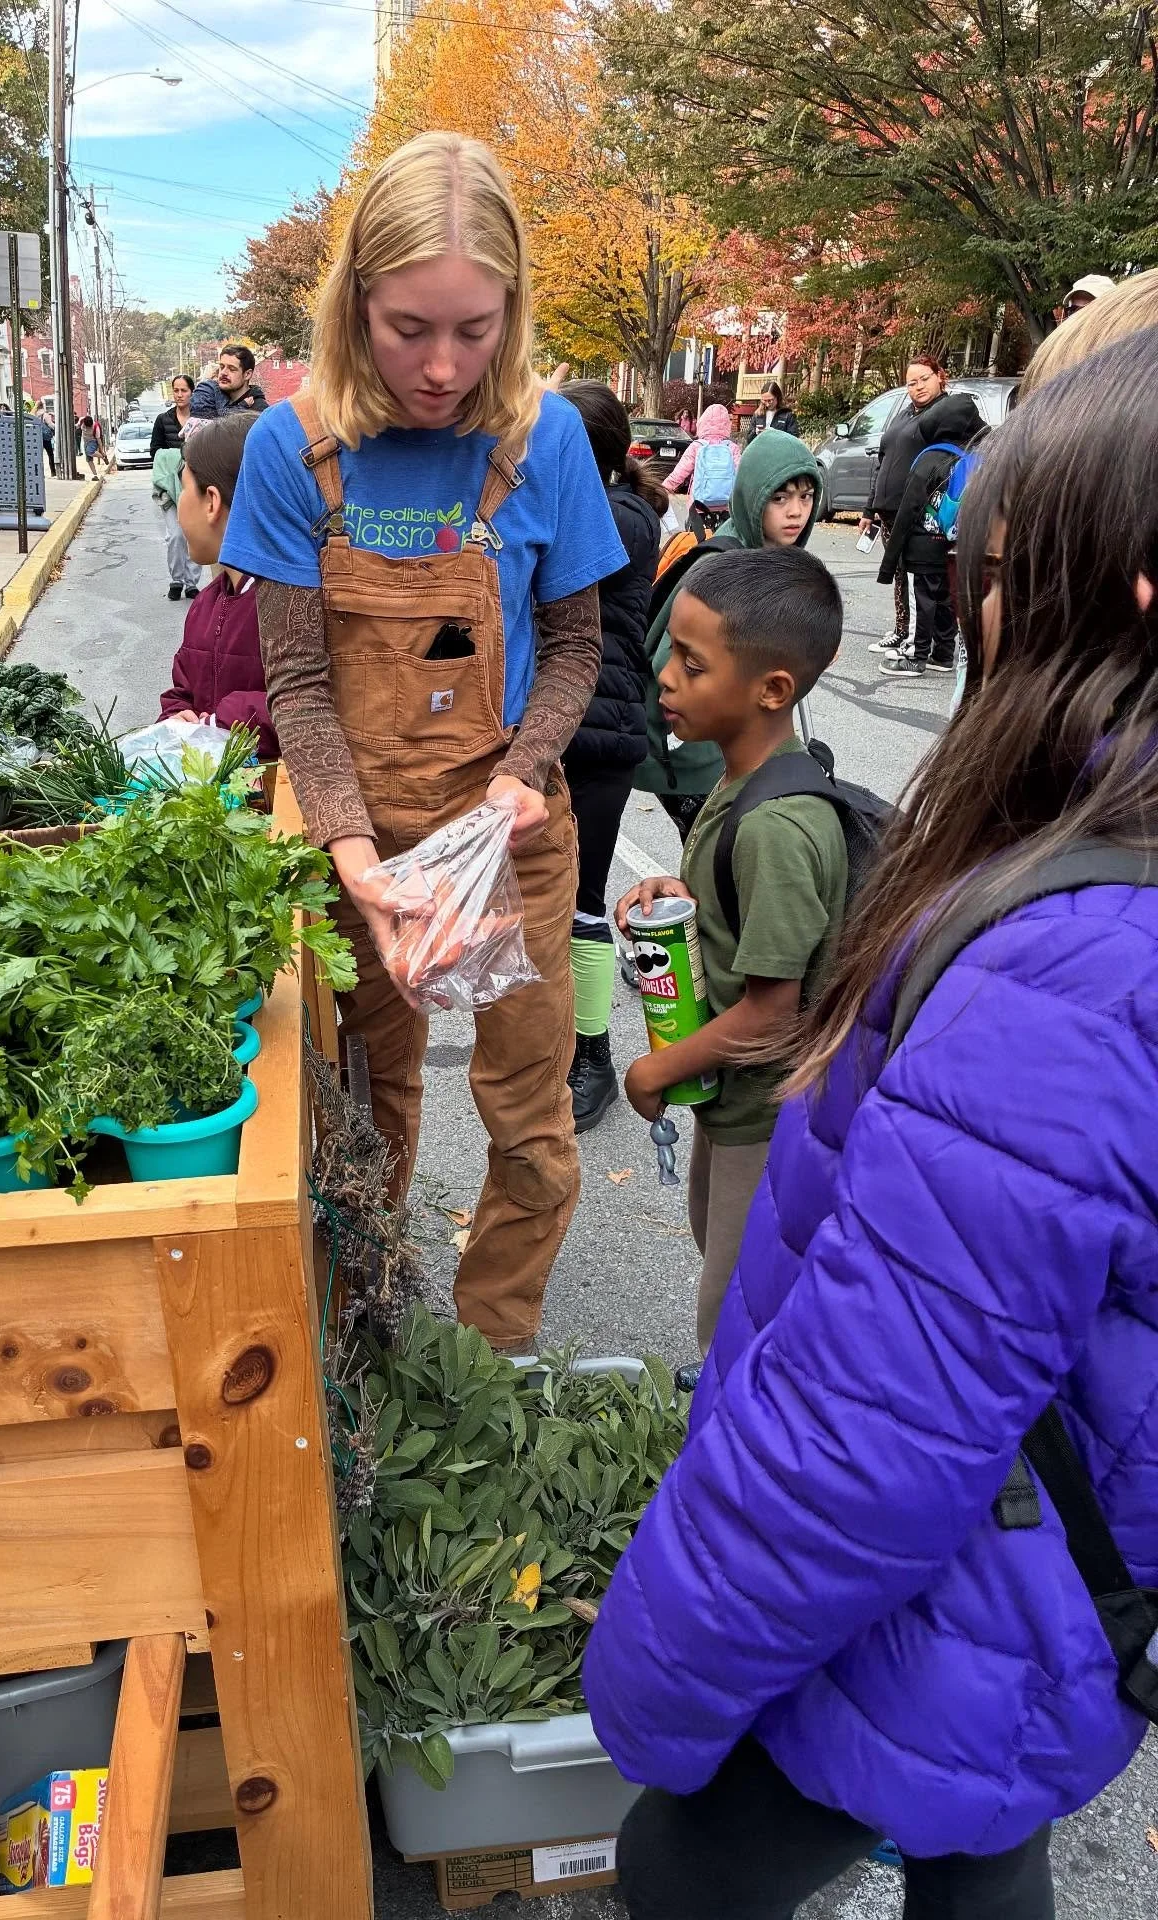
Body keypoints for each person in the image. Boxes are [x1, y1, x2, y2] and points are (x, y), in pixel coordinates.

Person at [586, 325, 1158, 1920]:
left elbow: (859, 1444)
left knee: (681, 1870)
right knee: (988, 1838)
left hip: (983, 1584)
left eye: (998, 562)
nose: (971, 597)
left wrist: (652, 1684)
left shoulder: (1065, 977)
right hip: (1070, 1578)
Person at [221, 130, 626, 1350]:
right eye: (410, 328)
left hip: (508, 837)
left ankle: (492, 1349)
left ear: (513, 308)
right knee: (364, 1106)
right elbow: (295, 677)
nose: (444, 367)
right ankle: (370, 1335)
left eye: (475, 327)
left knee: (529, 1112)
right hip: (363, 845)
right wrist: (353, 854)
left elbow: (574, 649)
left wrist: (518, 781)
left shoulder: (545, 438)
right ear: (354, 302)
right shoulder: (291, 451)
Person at [618, 545, 847, 1354]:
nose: (666, 680)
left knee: (735, 1318)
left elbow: (771, 1011)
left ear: (771, 690)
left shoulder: (776, 827)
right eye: (667, 654)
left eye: (691, 663)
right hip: (729, 1105)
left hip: (765, 1116)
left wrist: (656, 1069)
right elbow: (735, 908)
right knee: (717, 1252)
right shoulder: (739, 781)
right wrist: (679, 901)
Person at [556, 380, 664, 1130]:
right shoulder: (598, 509)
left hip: (600, 734)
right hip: (561, 729)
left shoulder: (621, 519)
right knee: (547, 903)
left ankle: (591, 1052)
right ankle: (558, 1041)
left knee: (585, 903)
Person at [635, 427, 825, 838]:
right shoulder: (725, 567)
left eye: (806, 496)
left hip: (735, 745)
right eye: (780, 497)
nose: (795, 511)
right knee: (719, 857)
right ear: (753, 495)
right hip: (696, 751)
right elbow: (673, 660)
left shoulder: (772, 561)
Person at [157, 413, 277, 756]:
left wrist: (218, 724)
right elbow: (182, 691)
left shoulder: (293, 604)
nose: (179, 508)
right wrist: (175, 720)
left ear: (211, 501)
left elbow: (313, 706)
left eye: (183, 489)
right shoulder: (207, 602)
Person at [875, 392, 983, 678]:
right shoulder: (977, 459)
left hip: (922, 546)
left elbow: (908, 510)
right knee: (947, 599)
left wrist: (890, 561)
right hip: (955, 546)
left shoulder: (929, 459)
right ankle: (943, 654)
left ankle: (916, 656)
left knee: (922, 599)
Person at [859, 353, 948, 657]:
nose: (918, 387)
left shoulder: (942, 413)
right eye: (912, 382)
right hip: (887, 509)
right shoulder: (905, 413)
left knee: (916, 577)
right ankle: (901, 629)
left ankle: (917, 639)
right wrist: (869, 509)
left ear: (940, 376)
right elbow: (882, 461)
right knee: (898, 573)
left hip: (916, 511)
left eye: (925, 379)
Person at [1020, 267, 1158, 397]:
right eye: (1074, 310)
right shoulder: (1056, 362)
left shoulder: (1128, 364)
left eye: (1090, 310)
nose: (1080, 318)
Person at [150, 376, 206, 599]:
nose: (179, 394)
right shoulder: (163, 420)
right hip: (168, 488)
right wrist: (174, 460)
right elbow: (154, 452)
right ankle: (176, 580)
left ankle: (192, 583)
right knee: (175, 535)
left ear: (191, 392)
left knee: (193, 533)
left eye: (184, 390)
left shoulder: (201, 420)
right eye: (176, 390)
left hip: (195, 486)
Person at [662, 403, 740, 539]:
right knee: (723, 544)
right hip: (726, 507)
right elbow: (741, 474)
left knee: (697, 544)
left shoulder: (697, 447)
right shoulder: (732, 448)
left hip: (699, 507)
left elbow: (679, 474)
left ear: (703, 423)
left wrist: (662, 490)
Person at [190, 345, 268, 418]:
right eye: (222, 367)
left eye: (232, 369)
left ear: (247, 374)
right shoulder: (211, 397)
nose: (223, 373)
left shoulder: (259, 412)